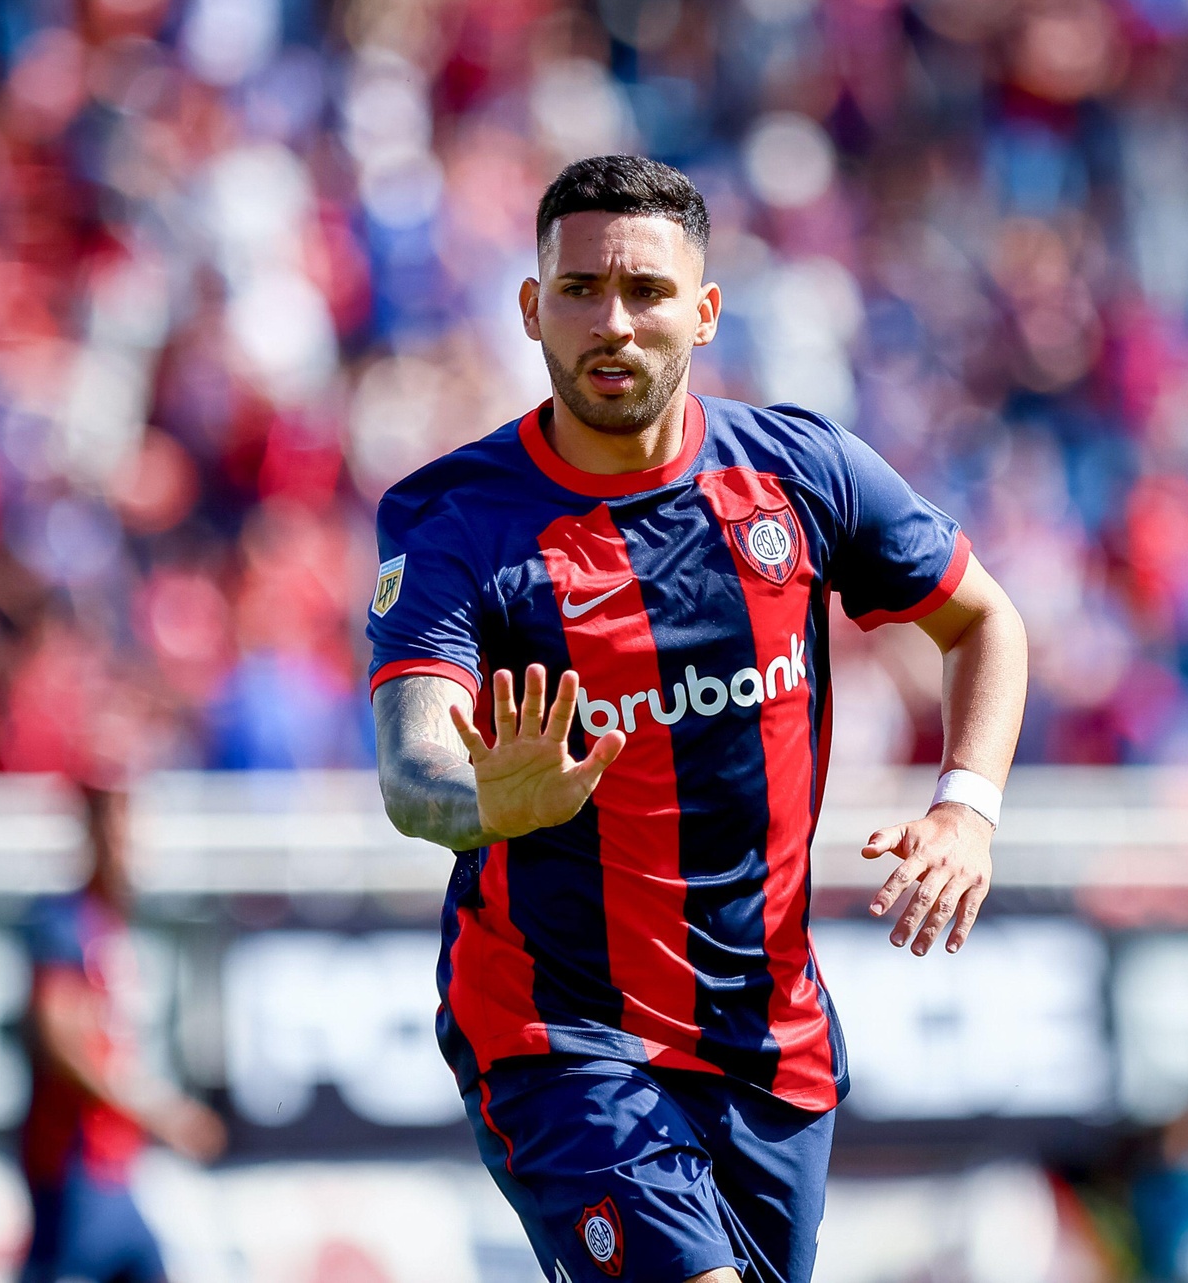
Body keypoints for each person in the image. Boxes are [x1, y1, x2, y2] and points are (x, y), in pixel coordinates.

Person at [368, 156, 1029, 1283]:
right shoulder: (455, 520)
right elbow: (412, 769)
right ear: (531, 309)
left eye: (645, 292)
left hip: (768, 1044)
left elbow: (981, 622)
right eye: (577, 291)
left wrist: (964, 807)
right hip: (560, 1034)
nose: (610, 323)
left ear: (704, 312)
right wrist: (486, 799)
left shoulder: (798, 475)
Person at [18, 784, 226, 1283]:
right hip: (74, 1166)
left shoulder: (107, 926)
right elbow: (63, 1044)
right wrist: (160, 1111)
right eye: (116, 836)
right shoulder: (62, 925)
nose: (127, 851)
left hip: (110, 1169)